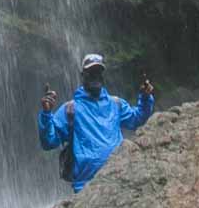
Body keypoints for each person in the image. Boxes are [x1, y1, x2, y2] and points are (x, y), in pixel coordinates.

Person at [38, 53, 155, 193]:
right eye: (91, 72)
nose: (95, 76)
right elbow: (49, 142)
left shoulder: (115, 104)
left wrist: (146, 97)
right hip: (86, 188)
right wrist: (46, 114)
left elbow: (137, 119)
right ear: (83, 75)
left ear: (102, 75)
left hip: (120, 180)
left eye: (98, 72)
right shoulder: (70, 109)